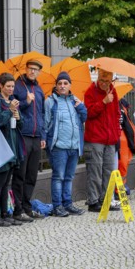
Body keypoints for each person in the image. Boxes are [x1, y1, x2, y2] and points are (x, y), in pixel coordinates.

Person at [45, 71, 88, 217]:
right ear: (56, 86)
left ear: (70, 85)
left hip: (74, 146)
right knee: (58, 177)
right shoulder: (51, 101)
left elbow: (84, 117)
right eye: (60, 83)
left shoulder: (74, 100)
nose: (63, 86)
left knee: (69, 177)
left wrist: (81, 107)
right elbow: (46, 123)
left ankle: (67, 204)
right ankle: (57, 206)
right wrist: (45, 140)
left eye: (65, 83)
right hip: (59, 147)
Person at [0, 73, 25, 227]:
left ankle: (5, 213)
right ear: (0, 86)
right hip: (1, 146)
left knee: (6, 182)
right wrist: (9, 110)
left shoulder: (12, 102)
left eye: (12, 86)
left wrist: (18, 117)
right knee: (0, 181)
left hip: (12, 145)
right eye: (8, 86)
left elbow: (20, 126)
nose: (11, 89)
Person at [12, 59, 47, 222]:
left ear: (39, 72)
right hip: (23, 135)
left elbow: (41, 114)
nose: (33, 71)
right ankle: (17, 210)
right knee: (20, 174)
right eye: (30, 69)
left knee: (32, 175)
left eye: (36, 69)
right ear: (25, 69)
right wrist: (26, 101)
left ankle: (27, 206)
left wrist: (43, 136)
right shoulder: (17, 87)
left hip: (36, 136)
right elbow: (12, 108)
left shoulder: (39, 90)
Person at [84, 68, 121, 212]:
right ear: (97, 79)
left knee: (108, 172)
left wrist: (117, 133)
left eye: (107, 81)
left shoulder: (113, 91)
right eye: (102, 81)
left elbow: (117, 114)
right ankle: (93, 201)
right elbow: (88, 113)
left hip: (110, 139)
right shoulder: (90, 92)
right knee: (95, 171)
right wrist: (103, 102)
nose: (105, 84)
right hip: (95, 139)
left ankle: (106, 200)